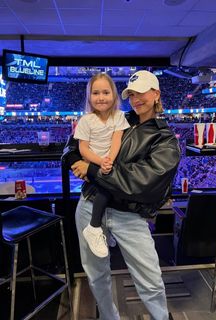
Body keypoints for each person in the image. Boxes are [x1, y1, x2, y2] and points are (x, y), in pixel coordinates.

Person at [63, 70, 181, 320]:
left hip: (129, 215)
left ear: (156, 94)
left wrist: (91, 168)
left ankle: (161, 317)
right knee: (96, 275)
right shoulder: (116, 118)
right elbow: (72, 146)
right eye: (132, 95)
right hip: (89, 206)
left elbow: (139, 183)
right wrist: (74, 159)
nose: (136, 99)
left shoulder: (165, 140)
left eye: (142, 94)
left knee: (149, 279)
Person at [73, 73, 130, 258]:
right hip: (94, 163)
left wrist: (109, 161)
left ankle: (107, 231)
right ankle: (95, 227)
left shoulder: (119, 116)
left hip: (110, 162)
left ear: (113, 95)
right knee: (105, 187)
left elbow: (116, 141)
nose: (101, 97)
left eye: (106, 92)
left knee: (113, 188)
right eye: (95, 93)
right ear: (89, 97)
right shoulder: (86, 120)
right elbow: (83, 148)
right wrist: (100, 162)